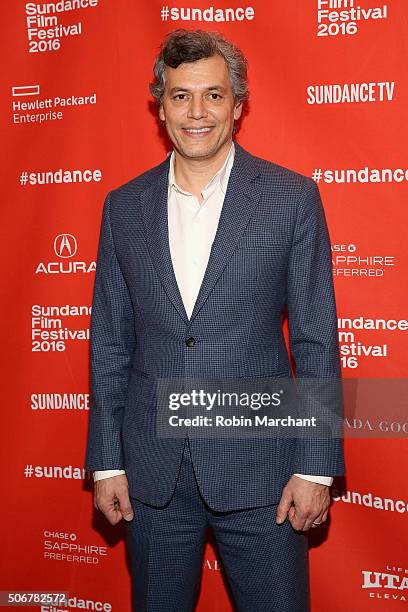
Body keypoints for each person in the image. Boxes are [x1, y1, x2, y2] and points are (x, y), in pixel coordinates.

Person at [85, 29, 344, 612]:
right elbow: (110, 343)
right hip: (153, 476)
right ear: (161, 104)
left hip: (264, 475)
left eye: (213, 95)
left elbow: (315, 339)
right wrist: (107, 460)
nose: (196, 112)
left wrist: (318, 467)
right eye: (180, 96)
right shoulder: (123, 207)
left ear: (238, 104)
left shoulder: (290, 198)